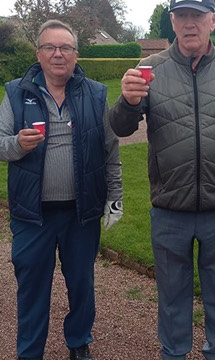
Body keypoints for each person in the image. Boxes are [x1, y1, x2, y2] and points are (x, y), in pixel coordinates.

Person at [109, 0, 215, 360]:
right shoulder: (150, 69)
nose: (190, 23)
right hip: (169, 209)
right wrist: (127, 102)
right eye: (182, 16)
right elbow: (121, 128)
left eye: (197, 16)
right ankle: (174, 353)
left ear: (213, 20)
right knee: (172, 296)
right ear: (173, 21)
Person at [0, 20, 123, 360]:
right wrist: (17, 144)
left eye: (65, 48)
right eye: (50, 47)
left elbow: (110, 149)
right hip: (32, 214)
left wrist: (115, 196)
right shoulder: (16, 92)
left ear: (75, 55)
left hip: (80, 213)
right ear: (38, 54)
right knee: (32, 287)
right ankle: (30, 352)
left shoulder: (95, 93)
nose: (58, 54)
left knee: (81, 284)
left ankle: (79, 342)